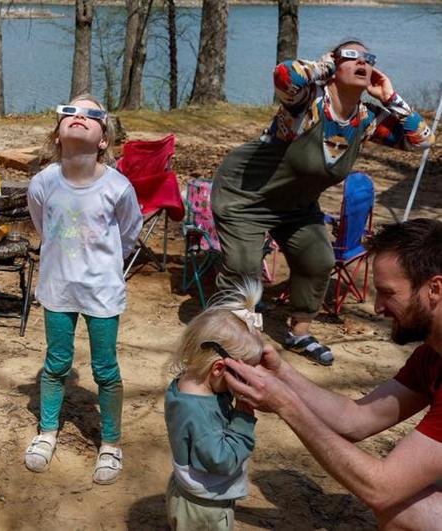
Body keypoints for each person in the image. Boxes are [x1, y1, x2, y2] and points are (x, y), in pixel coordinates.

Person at [210, 39, 434, 366]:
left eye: (368, 59)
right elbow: (285, 75)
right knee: (244, 268)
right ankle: (229, 339)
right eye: (351, 57)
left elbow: (422, 140)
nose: (363, 63)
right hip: (246, 197)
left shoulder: (365, 119)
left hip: (297, 206)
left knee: (318, 259)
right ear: (333, 65)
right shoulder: (306, 103)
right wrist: (324, 66)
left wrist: (390, 97)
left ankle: (299, 333)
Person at [223, 218, 442, 530]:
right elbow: (355, 419)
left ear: (434, 288)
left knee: (401, 510)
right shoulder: (431, 356)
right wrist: (282, 373)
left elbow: (381, 488)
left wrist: (286, 404)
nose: (378, 307)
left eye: (387, 292)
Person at [24, 95, 143, 484]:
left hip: (102, 293)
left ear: (104, 139)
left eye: (91, 115)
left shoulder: (118, 187)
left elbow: (128, 233)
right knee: (56, 362)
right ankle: (46, 432)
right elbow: (43, 226)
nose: (79, 118)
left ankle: (111, 443)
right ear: (57, 134)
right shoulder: (43, 183)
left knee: (105, 369)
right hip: (57, 290)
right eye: (69, 112)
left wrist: (101, 266)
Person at [165, 280, 265, 530]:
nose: (245, 382)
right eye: (243, 375)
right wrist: (242, 420)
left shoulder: (187, 384)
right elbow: (221, 461)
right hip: (205, 508)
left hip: (188, 492)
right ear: (219, 368)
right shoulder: (200, 413)